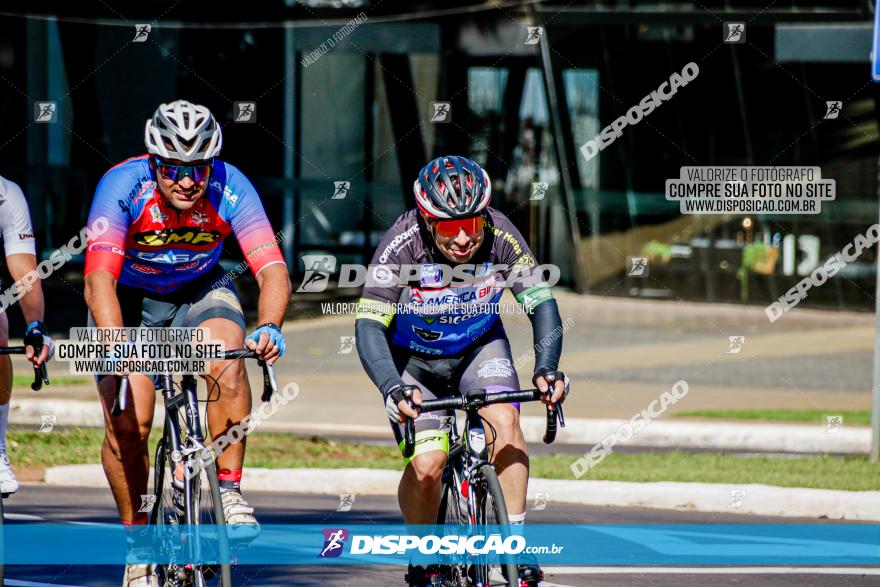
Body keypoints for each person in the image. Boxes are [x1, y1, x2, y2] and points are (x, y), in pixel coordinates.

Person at [83, 100, 291, 587]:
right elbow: (98, 282)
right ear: (154, 162)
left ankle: (229, 490)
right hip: (130, 299)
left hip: (200, 287)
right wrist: (115, 347)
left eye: (198, 168)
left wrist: (272, 324)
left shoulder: (230, 185)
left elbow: (272, 268)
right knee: (128, 423)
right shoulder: (121, 187)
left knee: (228, 357)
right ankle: (138, 545)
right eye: (173, 169)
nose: (187, 180)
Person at [355, 155, 568, 586]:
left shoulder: (501, 234)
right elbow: (368, 326)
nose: (464, 238)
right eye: (450, 228)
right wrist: (391, 387)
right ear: (428, 221)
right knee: (428, 465)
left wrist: (547, 368)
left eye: (472, 225)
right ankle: (422, 554)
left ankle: (513, 546)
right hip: (412, 363)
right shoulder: (402, 243)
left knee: (505, 422)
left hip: (478, 348)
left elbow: (542, 304)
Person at [0, 176, 54, 494]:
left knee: (0, 325)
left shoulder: (8, 195)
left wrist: (35, 327)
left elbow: (24, 272)